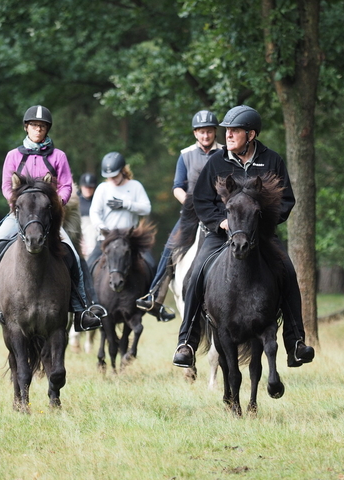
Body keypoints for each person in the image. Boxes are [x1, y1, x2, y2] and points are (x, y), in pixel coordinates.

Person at [171, 105, 315, 369]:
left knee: (288, 270)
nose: (227, 135)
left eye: (234, 131)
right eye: (226, 131)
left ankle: (295, 342)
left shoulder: (272, 160)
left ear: (250, 135)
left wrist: (260, 224)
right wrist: (221, 222)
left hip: (262, 235)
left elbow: (286, 201)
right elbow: (201, 201)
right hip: (222, 234)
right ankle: (187, 342)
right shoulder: (217, 161)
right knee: (196, 271)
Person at [0, 105, 105, 331]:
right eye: (34, 125)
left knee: (72, 253)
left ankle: (82, 309)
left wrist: (56, 203)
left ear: (47, 129)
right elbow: (6, 185)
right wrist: (15, 203)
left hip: (48, 218)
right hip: (19, 215)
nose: (38, 129)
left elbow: (65, 186)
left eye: (42, 126)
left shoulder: (58, 156)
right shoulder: (13, 156)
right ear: (27, 127)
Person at [136, 110, 223, 322]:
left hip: (221, 211)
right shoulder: (185, 155)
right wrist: (191, 204)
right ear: (195, 133)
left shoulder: (226, 153)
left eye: (209, 132)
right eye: (202, 132)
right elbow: (177, 187)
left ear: (214, 132)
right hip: (192, 213)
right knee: (171, 246)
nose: (205, 136)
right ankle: (155, 295)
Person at [87, 152, 152, 267]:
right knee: (89, 265)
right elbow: (94, 212)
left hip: (129, 238)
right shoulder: (102, 188)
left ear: (123, 171)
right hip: (107, 238)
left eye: (115, 176)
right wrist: (102, 227)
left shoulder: (135, 186)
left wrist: (127, 204)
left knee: (151, 264)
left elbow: (146, 209)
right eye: (109, 177)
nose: (112, 179)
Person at [78, 172, 97, 258]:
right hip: (80, 237)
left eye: (90, 187)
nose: (88, 189)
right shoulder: (75, 201)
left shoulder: (98, 201)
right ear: (81, 186)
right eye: (86, 187)